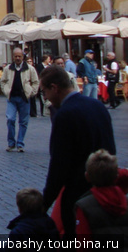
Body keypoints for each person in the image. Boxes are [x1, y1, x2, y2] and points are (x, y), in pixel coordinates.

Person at [39, 64, 116, 238]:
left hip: (78, 194)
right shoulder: (98, 106)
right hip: (105, 191)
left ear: (54, 88)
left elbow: (59, 164)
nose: (46, 98)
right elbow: (110, 149)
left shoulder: (65, 115)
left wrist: (46, 201)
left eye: (44, 92)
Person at [75, 149, 128, 242]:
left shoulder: (84, 206)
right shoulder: (125, 202)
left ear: (87, 177)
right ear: (116, 176)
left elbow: (83, 244)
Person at [0, 47, 38, 152]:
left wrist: (32, 92)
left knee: (23, 122)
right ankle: (11, 143)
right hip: (12, 98)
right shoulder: (8, 68)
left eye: (19, 56)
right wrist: (6, 91)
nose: (17, 58)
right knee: (10, 119)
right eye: (16, 56)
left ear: (23, 57)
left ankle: (20, 143)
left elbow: (35, 82)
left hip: (24, 98)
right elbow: (2, 81)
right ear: (13, 57)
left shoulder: (30, 69)